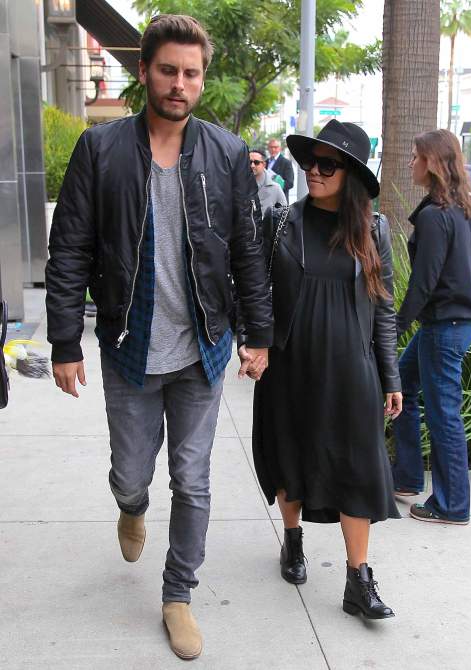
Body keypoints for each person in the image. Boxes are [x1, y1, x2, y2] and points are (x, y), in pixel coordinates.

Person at [45, 14, 272, 660]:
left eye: (191, 73)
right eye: (168, 70)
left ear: (202, 79)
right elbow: (70, 250)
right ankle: (131, 504)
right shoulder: (101, 150)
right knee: (130, 473)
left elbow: (247, 251)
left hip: (202, 348)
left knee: (193, 481)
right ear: (143, 71)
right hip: (130, 347)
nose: (179, 84)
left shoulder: (226, 153)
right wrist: (65, 342)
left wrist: (258, 334)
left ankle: (178, 596)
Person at [240, 119, 403, 620]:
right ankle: (293, 540)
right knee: (289, 455)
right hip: (289, 363)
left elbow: (384, 308)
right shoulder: (282, 221)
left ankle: (358, 579)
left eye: (327, 164)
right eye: (311, 161)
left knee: (358, 467)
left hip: (352, 369)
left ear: (350, 175)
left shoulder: (373, 230)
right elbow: (256, 289)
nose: (313, 170)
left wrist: (391, 377)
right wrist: (256, 344)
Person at [392, 129, 471, 525]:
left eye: (415, 156)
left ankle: (451, 505)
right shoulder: (466, 208)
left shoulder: (434, 216)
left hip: (445, 326)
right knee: (404, 384)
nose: (411, 163)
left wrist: (394, 328)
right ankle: (408, 476)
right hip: (455, 323)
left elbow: (422, 283)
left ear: (431, 162)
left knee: (444, 415)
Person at [249, 148, 287, 213]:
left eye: (256, 162)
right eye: (249, 162)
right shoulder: (238, 185)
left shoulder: (275, 188)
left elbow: (284, 213)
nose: (252, 165)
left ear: (264, 165)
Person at [267, 138, 294, 202]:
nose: (273, 149)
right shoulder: (265, 162)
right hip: (266, 200)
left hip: (280, 200)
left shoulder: (286, 163)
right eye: (271, 147)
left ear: (280, 148)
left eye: (275, 147)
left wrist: (277, 183)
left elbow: (290, 183)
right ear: (268, 148)